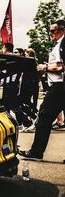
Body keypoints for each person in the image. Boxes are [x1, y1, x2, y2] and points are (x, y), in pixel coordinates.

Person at [20, 19, 65, 161]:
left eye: (54, 31)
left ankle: (36, 152)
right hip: (60, 86)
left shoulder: (62, 44)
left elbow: (61, 67)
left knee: (44, 117)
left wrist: (44, 67)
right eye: (50, 31)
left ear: (62, 30)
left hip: (59, 86)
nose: (51, 34)